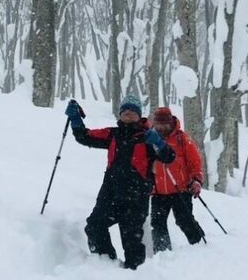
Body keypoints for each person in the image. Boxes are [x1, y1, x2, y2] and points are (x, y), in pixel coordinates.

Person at [66, 95, 176, 269]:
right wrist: (75, 118)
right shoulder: (112, 134)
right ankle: (106, 265)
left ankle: (135, 276)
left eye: (133, 111)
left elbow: (169, 156)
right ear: (120, 114)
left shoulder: (148, 137)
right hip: (110, 194)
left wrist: (158, 143)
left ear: (139, 115)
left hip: (136, 199)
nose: (129, 114)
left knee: (132, 243)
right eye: (125, 111)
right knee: (94, 226)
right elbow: (84, 136)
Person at [150, 106, 205, 253]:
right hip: (158, 191)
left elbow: (195, 162)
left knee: (184, 220)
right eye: (158, 124)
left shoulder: (182, 138)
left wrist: (196, 180)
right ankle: (162, 253)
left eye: (164, 124)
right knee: (157, 223)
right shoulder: (149, 139)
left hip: (181, 189)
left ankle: (200, 245)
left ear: (170, 123)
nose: (161, 128)